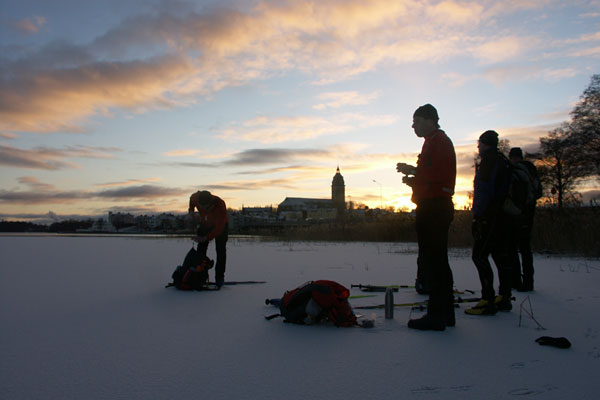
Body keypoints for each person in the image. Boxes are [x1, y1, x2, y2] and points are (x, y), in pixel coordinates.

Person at [396, 104, 457, 331]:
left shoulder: (439, 142)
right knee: (437, 261)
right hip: (432, 204)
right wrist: (415, 180)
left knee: (434, 261)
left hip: (434, 208)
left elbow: (437, 173)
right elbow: (434, 177)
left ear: (430, 120)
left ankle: (437, 315)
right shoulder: (433, 142)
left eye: (417, 120)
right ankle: (445, 313)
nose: (413, 125)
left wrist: (413, 170)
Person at [466, 130, 514, 315]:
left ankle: (487, 300)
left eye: (479, 143)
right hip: (502, 217)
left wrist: (477, 215)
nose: (478, 147)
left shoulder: (489, 162)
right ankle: (504, 297)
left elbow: (484, 190)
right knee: (500, 256)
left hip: (489, 217)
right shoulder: (503, 160)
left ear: (485, 143)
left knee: (479, 256)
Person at [508, 147, 541, 292]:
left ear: (512, 157)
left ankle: (515, 281)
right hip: (529, 213)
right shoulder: (531, 170)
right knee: (526, 249)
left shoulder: (514, 171)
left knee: (512, 248)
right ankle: (528, 282)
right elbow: (539, 192)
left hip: (516, 215)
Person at [188, 190, 229, 288]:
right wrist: (191, 212)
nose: (206, 210)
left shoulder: (220, 205)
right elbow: (191, 200)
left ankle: (219, 277)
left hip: (220, 226)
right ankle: (201, 275)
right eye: (203, 208)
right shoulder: (196, 198)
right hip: (205, 224)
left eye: (208, 208)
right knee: (200, 251)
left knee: (220, 250)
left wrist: (206, 238)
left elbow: (219, 228)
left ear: (211, 203)